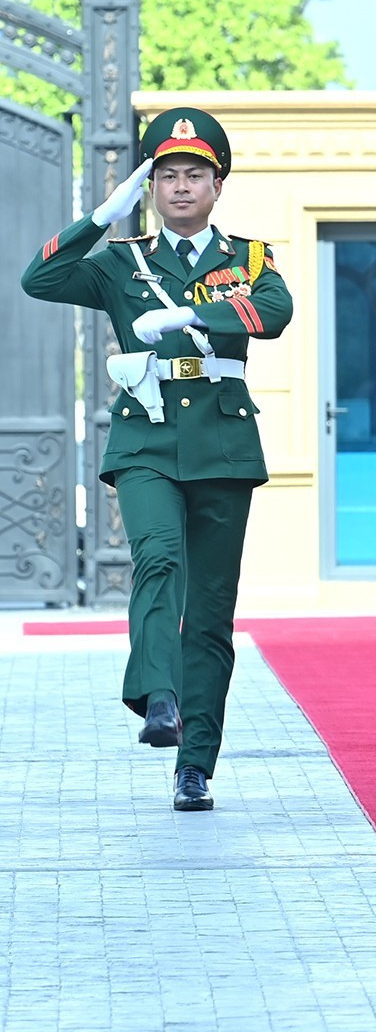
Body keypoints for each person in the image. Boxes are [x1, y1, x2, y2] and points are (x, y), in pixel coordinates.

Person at [21, 107, 292, 812]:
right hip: (145, 438)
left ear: (217, 183)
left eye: (193, 174)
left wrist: (198, 316)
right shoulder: (120, 259)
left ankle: (195, 765)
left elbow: (277, 311)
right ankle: (158, 698)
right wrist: (99, 217)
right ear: (149, 187)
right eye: (165, 175)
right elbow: (39, 280)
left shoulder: (250, 259)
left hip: (225, 446)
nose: (179, 187)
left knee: (209, 613)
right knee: (159, 556)